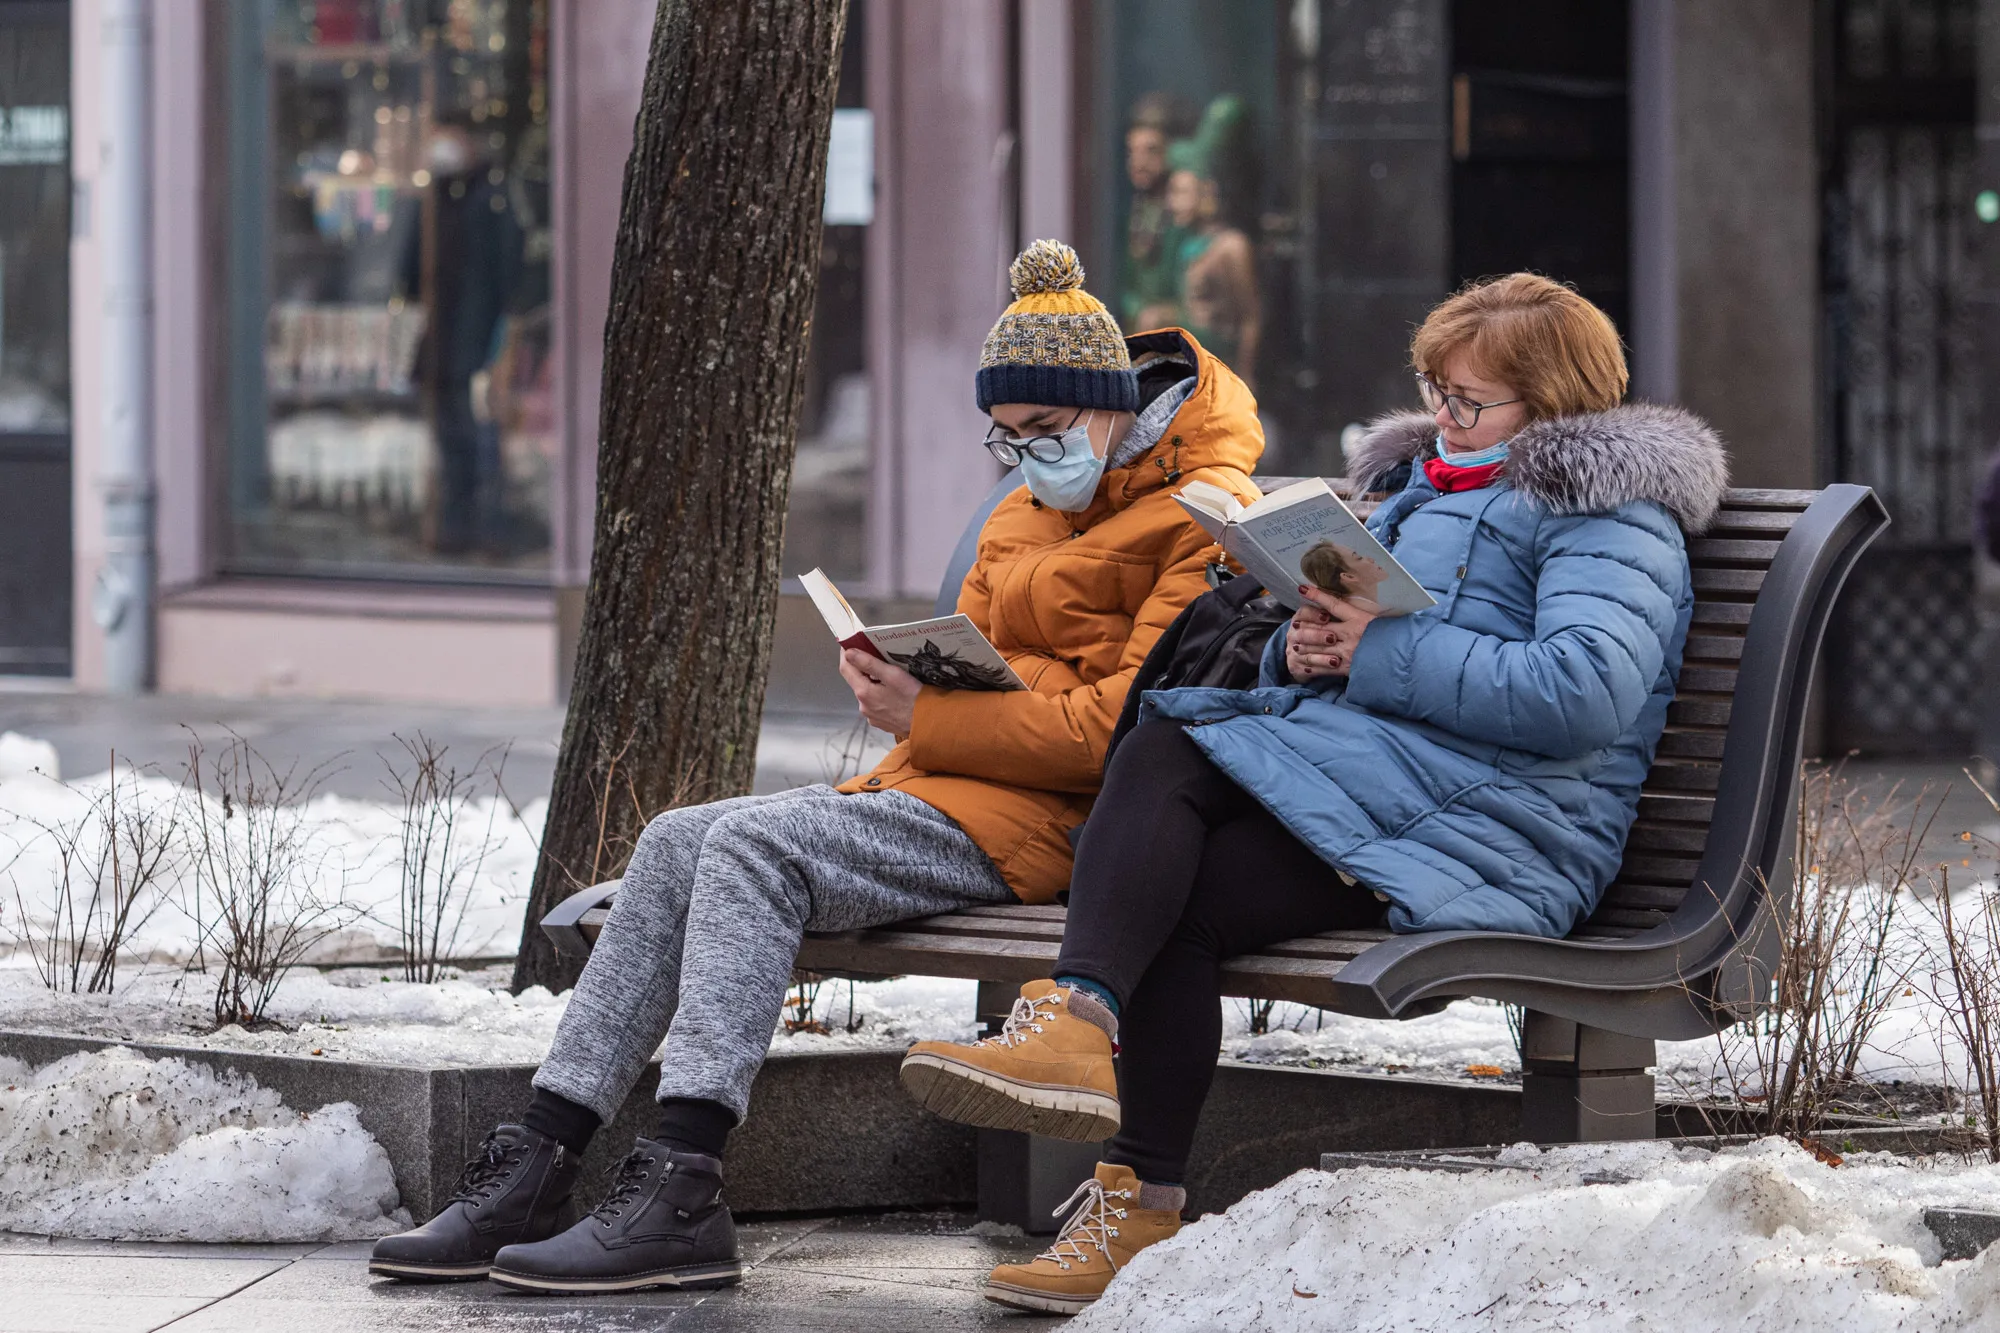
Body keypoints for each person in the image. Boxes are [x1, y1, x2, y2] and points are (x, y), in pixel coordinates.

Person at [366, 239, 1263, 1293]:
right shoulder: (1025, 508)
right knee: (672, 840)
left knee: (749, 848)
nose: (1025, 458)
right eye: (1006, 438)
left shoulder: (1203, 515)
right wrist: (910, 694)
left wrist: (925, 718)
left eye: (1047, 432)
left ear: (1112, 409)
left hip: (1065, 828)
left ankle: (682, 1182)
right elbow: (975, 682)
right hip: (950, 792)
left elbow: (1116, 737)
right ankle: (538, 1154)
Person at [899, 273, 1729, 1316]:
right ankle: (1132, 1188)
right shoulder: (1432, 487)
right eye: (1434, 389)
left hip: (1500, 827)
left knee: (1165, 756)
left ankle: (1076, 1025)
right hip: (1386, 796)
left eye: (1467, 400)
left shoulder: (1607, 517)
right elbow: (1371, 646)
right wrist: (1301, 648)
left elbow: (1582, 692)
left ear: (1553, 402)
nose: (1443, 416)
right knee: (1179, 876)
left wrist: (1374, 652)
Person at [1158, 98, 1260, 382]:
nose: (1172, 202)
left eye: (1181, 192)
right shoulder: (1183, 244)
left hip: (1219, 363)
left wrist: (1247, 375)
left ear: (1207, 193)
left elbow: (1250, 317)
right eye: (1171, 193)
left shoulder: (1231, 246)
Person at [1120, 92, 1197, 333]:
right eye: (1133, 151)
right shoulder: (1137, 213)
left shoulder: (1185, 216)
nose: (1139, 162)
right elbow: (1127, 286)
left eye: (1151, 150)